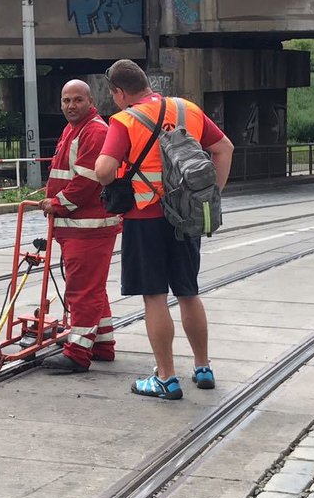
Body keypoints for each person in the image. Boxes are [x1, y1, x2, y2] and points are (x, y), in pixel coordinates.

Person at [93, 60, 233, 400]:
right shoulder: (188, 109)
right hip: (186, 217)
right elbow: (223, 148)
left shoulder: (124, 120)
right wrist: (210, 196)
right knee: (188, 291)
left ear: (119, 92)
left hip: (145, 218)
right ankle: (202, 367)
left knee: (155, 295)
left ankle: (167, 378)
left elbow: (104, 171)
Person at [39, 79, 121, 373]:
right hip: (78, 226)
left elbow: (87, 181)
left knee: (82, 290)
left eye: (77, 100)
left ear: (90, 101)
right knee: (93, 288)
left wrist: (57, 203)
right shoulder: (74, 129)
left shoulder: (94, 130)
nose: (71, 106)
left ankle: (77, 353)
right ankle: (101, 344)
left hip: (89, 227)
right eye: (66, 101)